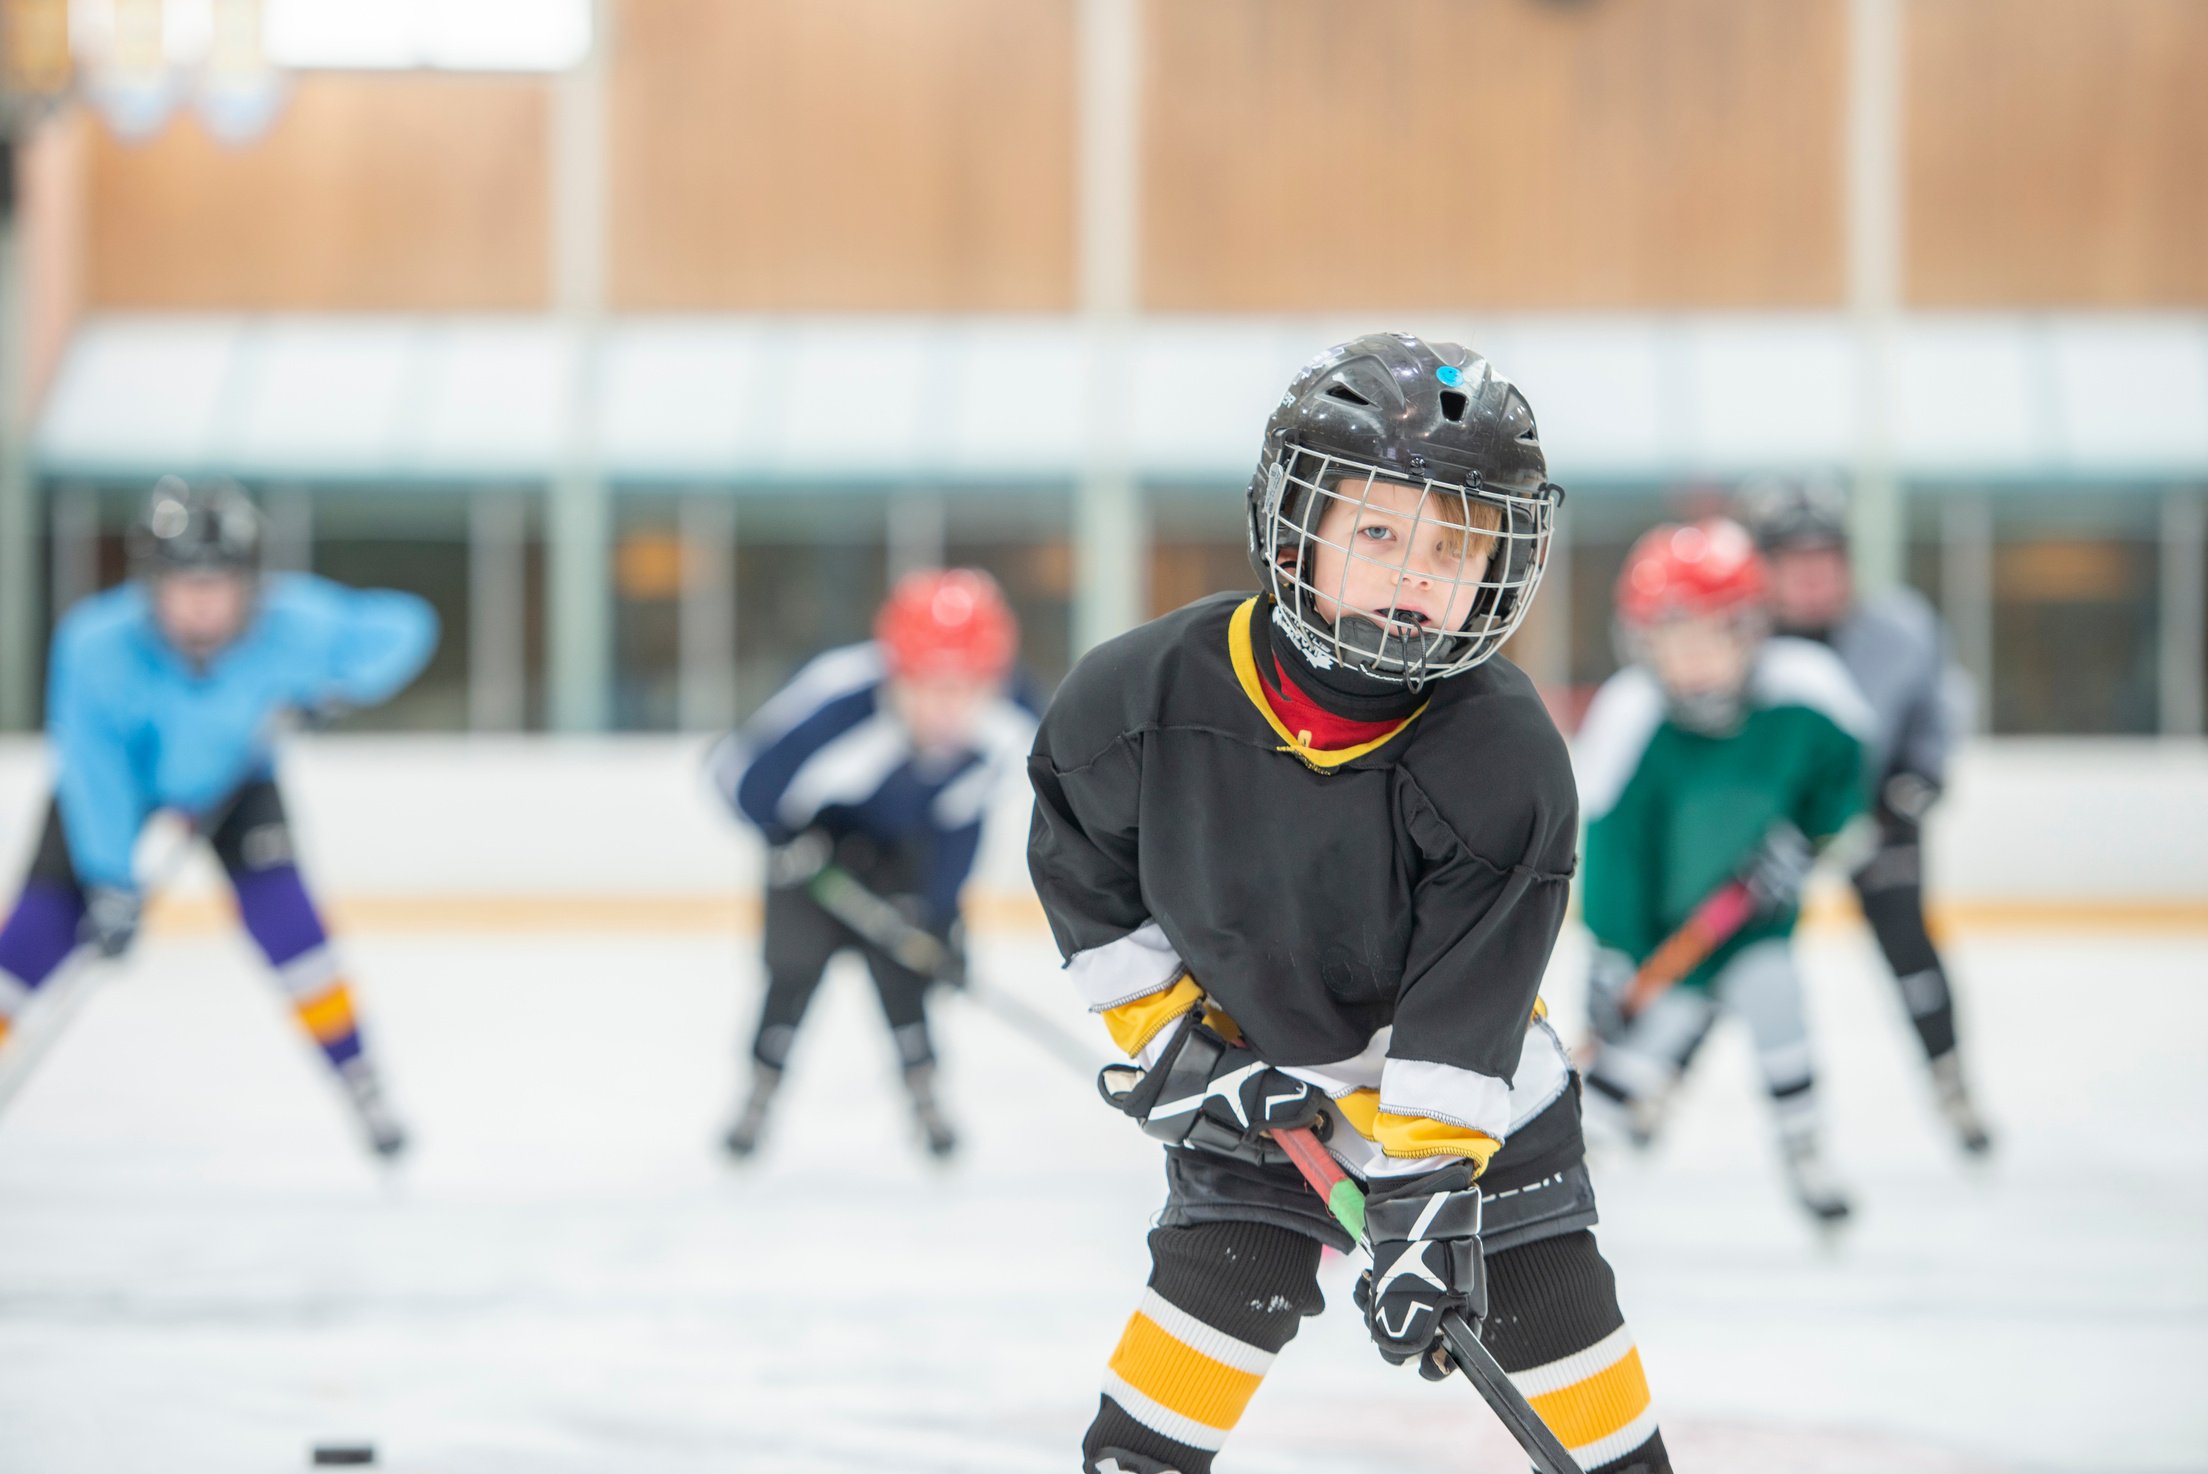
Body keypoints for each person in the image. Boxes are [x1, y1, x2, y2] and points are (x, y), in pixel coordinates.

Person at [1029, 334, 1668, 1474]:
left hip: (1475, 1118)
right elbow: (1086, 872)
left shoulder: (1502, 758)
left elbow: (1469, 998)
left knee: (1601, 1428)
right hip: (1255, 1091)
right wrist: (1171, 1040)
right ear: (1295, 525)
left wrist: (1427, 1184)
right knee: (1145, 1443)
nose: (1417, 573)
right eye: (1378, 531)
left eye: (1455, 546)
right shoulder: (1139, 699)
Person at [0, 476, 436, 1158]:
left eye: (220, 583)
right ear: (151, 584)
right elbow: (93, 768)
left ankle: (360, 1080)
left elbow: (407, 627)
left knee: (293, 931)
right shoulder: (95, 645)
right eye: (184, 584)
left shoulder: (294, 623)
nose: (202, 603)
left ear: (251, 582)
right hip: (112, 794)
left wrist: (338, 687)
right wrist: (110, 877)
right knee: (31, 940)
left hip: (235, 785)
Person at [1575, 518, 1869, 1224]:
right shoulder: (1633, 719)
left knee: (1777, 1000)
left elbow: (1847, 783)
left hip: (1753, 923)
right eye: (1675, 641)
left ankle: (1806, 1150)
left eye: (1715, 635)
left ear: (1753, 629)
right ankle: (1578, 1167)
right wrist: (1616, 959)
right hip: (1668, 939)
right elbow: (1614, 862)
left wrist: (1803, 843)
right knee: (1636, 1054)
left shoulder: (1802, 693)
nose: (1695, 660)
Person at [708, 568, 1036, 1161]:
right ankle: (759, 1093)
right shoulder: (840, 703)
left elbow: (963, 823)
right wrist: (785, 839)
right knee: (792, 969)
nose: (948, 708)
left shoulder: (1013, 724)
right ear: (897, 671)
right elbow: (737, 779)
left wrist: (942, 919)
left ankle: (925, 1095)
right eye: (930, 686)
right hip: (813, 853)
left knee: (903, 970)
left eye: (966, 687)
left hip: (901, 851)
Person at [1741, 480, 1992, 1154]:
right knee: (1732, 939)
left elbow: (1939, 710)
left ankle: (1950, 1081)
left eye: (1827, 557)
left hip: (1878, 810)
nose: (1814, 576)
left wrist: (1919, 781)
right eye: (1795, 561)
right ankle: (1654, 1083)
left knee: (1908, 940)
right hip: (1780, 819)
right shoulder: (1744, 640)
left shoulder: (1900, 630)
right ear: (1765, 568)